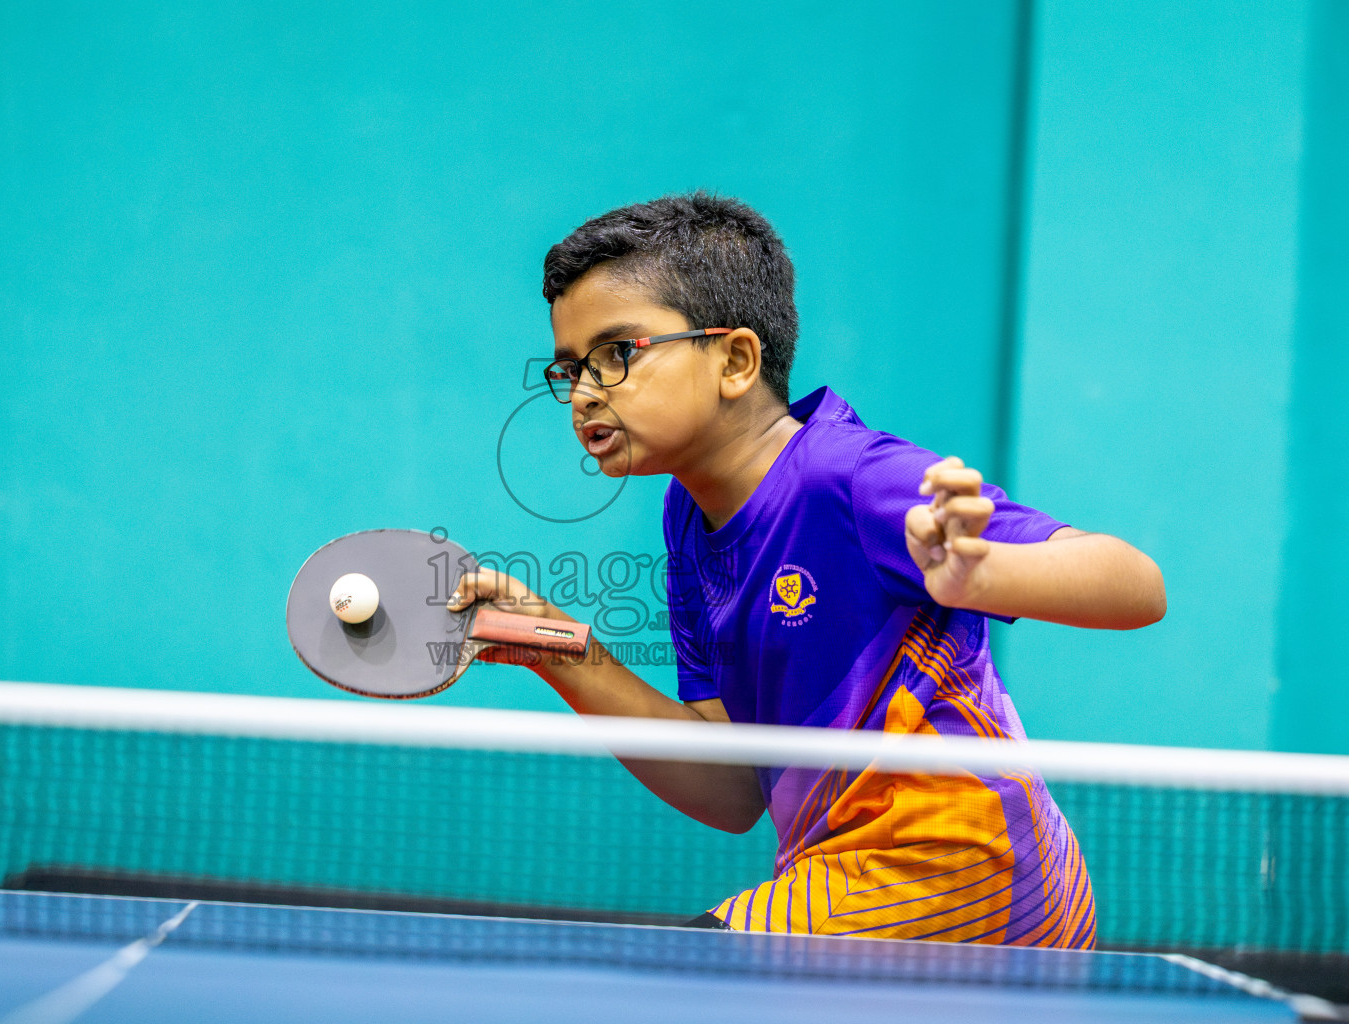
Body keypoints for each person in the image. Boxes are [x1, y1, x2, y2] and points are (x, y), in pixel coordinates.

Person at [447, 193, 1165, 947]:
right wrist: (558, 648)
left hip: (965, 865)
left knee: (679, 984)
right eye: (571, 370)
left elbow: (1136, 584)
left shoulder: (847, 477)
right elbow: (730, 789)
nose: (586, 392)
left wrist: (981, 579)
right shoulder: (691, 524)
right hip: (847, 875)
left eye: (619, 353)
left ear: (734, 360)